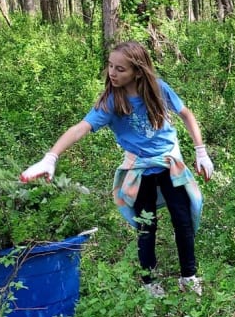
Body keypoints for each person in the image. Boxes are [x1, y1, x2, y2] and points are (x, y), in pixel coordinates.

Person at [20, 41, 214, 297]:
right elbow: (80, 128)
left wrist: (201, 151)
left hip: (169, 165)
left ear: (138, 70)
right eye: (110, 66)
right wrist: (51, 157)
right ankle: (149, 282)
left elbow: (186, 114)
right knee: (146, 228)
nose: (113, 73)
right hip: (139, 172)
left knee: (183, 221)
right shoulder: (112, 102)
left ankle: (189, 276)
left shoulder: (158, 89)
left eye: (120, 69)